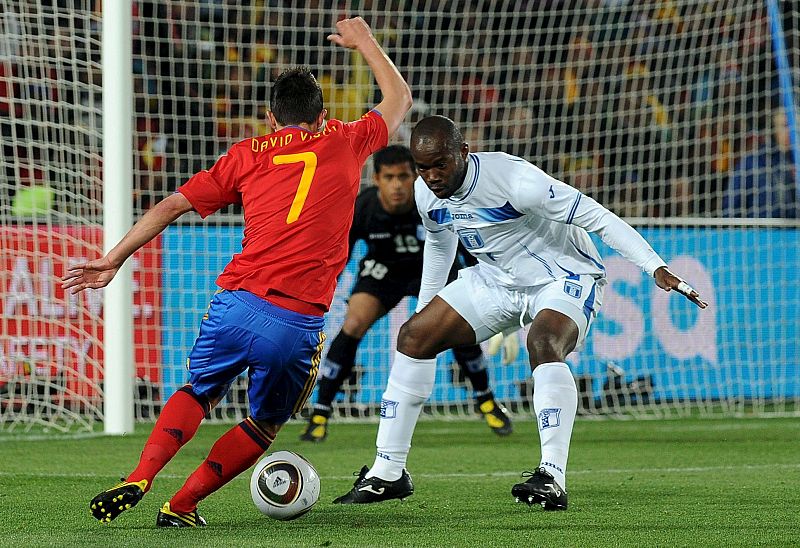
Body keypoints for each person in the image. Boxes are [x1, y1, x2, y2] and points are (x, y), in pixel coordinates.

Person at [62, 17, 412, 527]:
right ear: (322, 116)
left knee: (197, 391)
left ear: (271, 119)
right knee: (265, 423)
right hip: (295, 321)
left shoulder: (246, 154)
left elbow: (171, 204)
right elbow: (399, 99)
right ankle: (182, 505)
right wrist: (364, 41)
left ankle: (140, 474)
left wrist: (114, 258)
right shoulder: (346, 140)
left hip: (235, 303)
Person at [333, 115, 707, 509]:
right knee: (413, 337)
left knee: (543, 343)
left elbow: (596, 216)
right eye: (423, 168)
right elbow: (440, 246)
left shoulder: (516, 181)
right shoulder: (426, 193)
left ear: (463, 152)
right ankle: (388, 471)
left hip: (562, 276)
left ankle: (552, 476)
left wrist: (654, 265)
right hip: (496, 281)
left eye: (440, 164)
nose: (432, 176)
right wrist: (426, 311)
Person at [299, 145, 512, 443]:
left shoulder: (433, 201)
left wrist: (492, 286)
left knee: (458, 328)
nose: (397, 185)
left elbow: (467, 245)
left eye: (403, 176)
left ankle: (485, 400)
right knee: (353, 323)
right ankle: (321, 412)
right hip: (384, 271)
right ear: (376, 179)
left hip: (432, 270)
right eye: (389, 177)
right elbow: (340, 255)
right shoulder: (364, 208)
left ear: (415, 177)